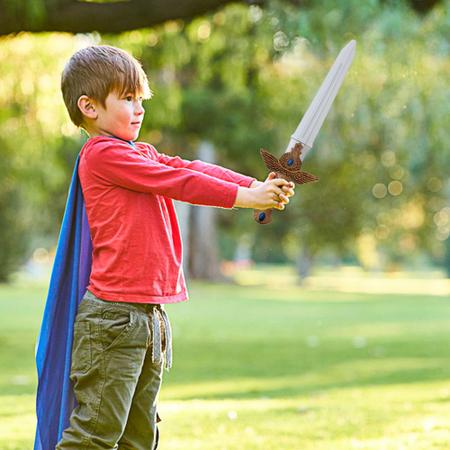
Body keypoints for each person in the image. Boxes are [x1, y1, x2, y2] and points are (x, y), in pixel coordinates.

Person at [47, 44, 295, 450]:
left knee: (140, 439)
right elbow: (178, 183)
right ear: (89, 107)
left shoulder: (139, 152)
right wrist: (246, 199)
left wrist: (252, 185)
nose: (139, 108)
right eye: (127, 99)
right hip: (114, 318)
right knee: (95, 435)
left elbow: (189, 168)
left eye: (140, 98)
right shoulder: (104, 155)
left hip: (147, 317)